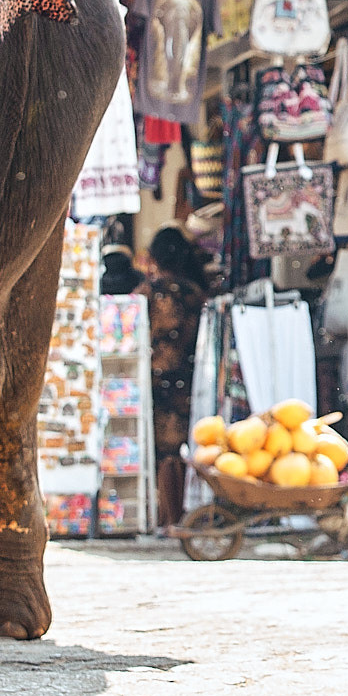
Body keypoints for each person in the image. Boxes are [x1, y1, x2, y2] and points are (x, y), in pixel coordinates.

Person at [139, 226, 210, 527]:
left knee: (164, 451)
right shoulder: (197, 293)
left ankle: (169, 519)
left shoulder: (147, 293)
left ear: (153, 259)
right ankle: (180, 515)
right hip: (190, 378)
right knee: (181, 447)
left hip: (156, 381)